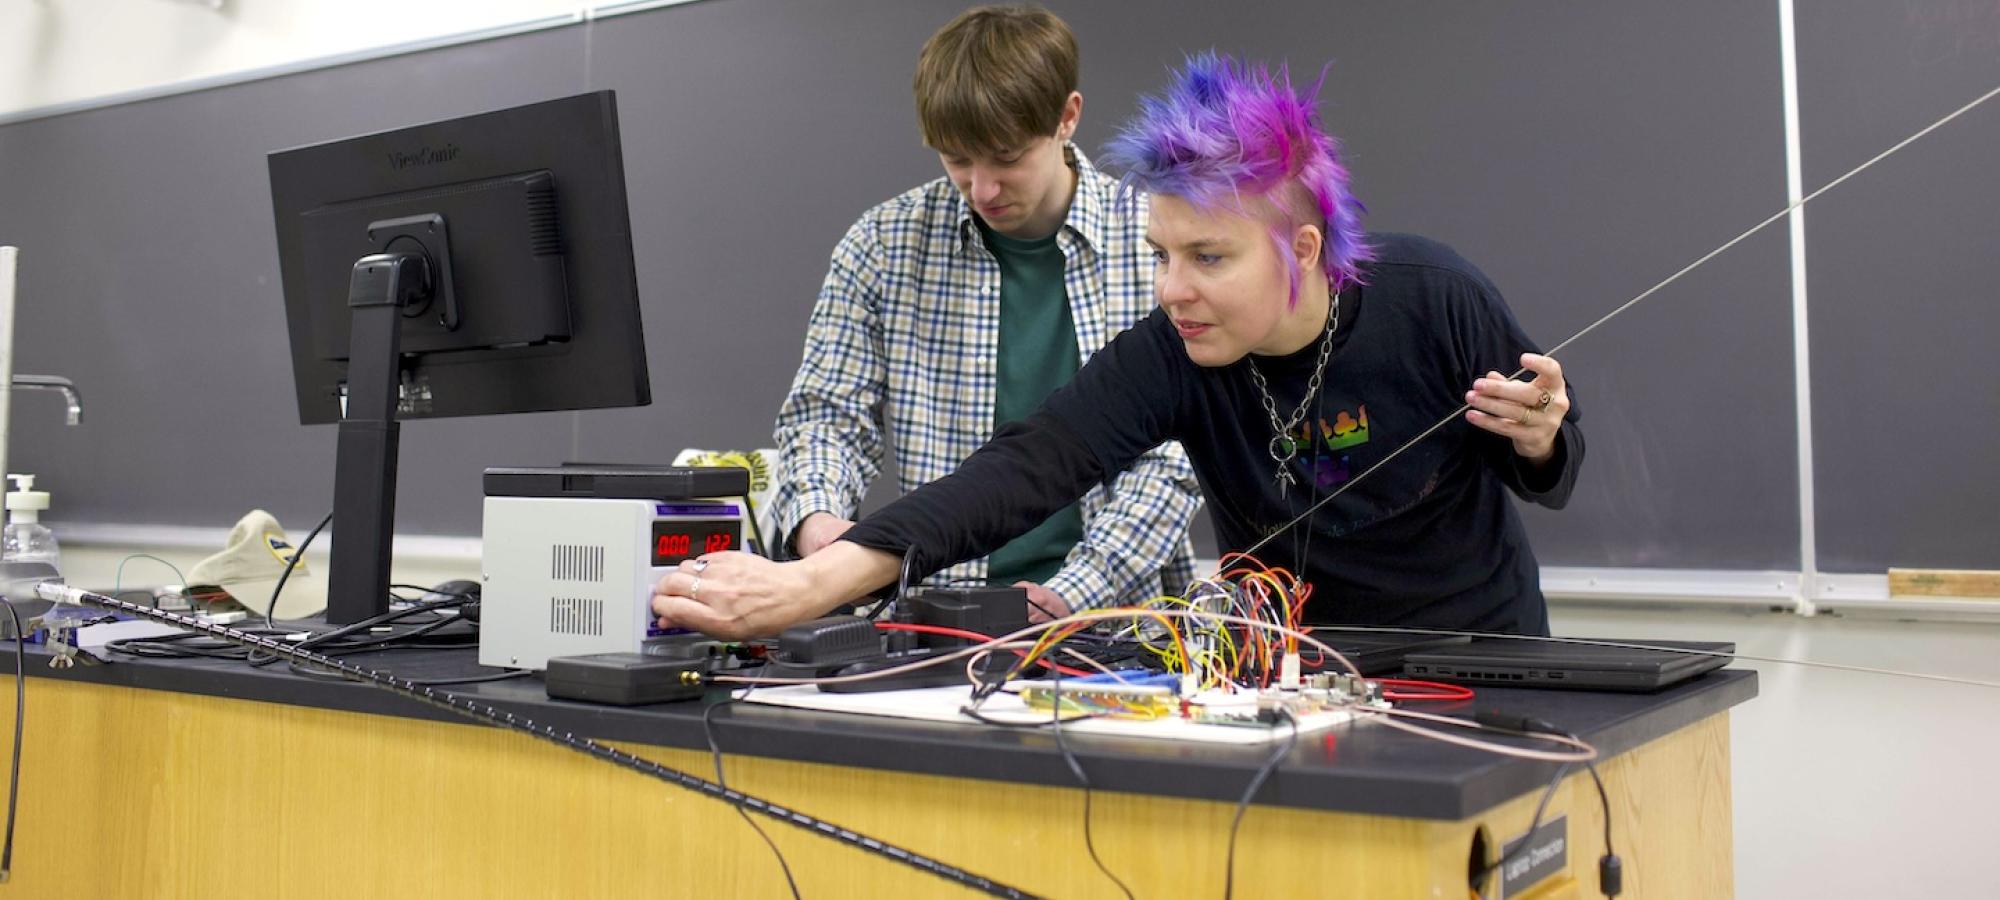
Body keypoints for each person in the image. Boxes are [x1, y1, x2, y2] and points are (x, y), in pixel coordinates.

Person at [661, 52, 1584, 640]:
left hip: (1489, 658)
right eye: (1158, 255)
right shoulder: (1175, 350)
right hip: (1310, 672)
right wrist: (814, 580)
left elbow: (1553, 463)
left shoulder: (1434, 296)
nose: (1172, 289)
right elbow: (1022, 471)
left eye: (1208, 257)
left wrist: (1541, 435)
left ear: (1301, 250)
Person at [767, 4, 1201, 620]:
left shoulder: (1154, 240)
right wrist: (818, 526)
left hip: (1116, 620)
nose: (982, 188)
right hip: (935, 618)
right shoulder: (882, 246)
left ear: (1066, 117)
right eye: (956, 159)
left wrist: (1071, 592)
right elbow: (826, 420)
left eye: (1005, 156)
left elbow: (1175, 455)